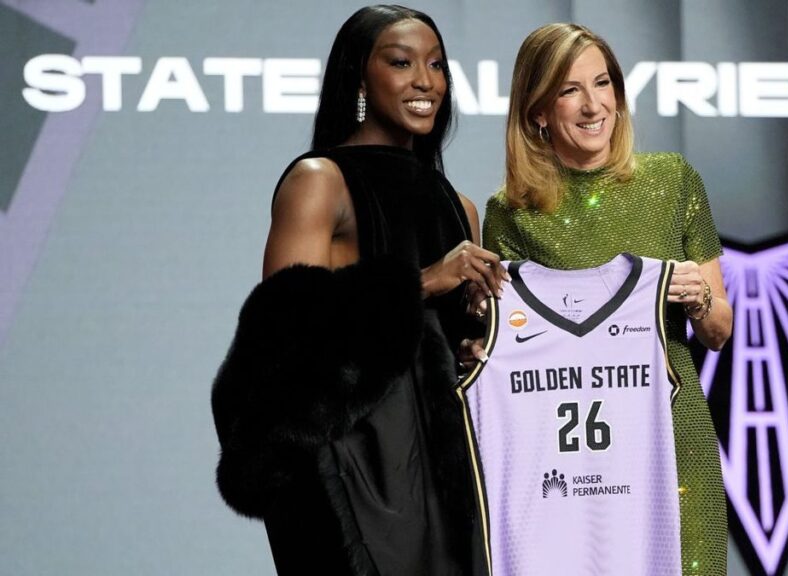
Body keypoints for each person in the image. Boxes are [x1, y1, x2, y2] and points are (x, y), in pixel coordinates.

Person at [211, 5, 501, 575]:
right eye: (401, 62)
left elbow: (455, 346)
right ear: (360, 78)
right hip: (352, 455)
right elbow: (282, 330)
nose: (425, 81)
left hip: (444, 464)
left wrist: (476, 337)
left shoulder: (459, 205)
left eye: (437, 65)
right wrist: (424, 281)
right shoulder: (320, 179)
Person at [481, 23, 733, 576]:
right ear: (538, 111)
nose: (594, 105)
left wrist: (697, 299)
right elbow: (505, 342)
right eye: (570, 89)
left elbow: (719, 331)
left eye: (603, 84)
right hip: (568, 468)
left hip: (672, 449)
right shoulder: (509, 213)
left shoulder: (673, 181)